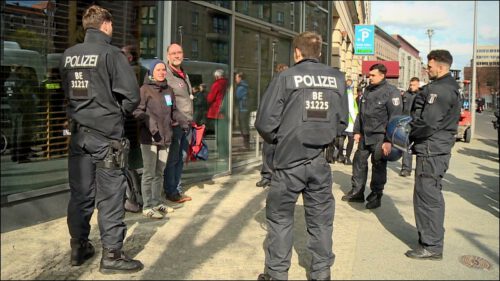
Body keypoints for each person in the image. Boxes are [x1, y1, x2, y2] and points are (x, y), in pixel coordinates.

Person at [255, 31, 346, 281]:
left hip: (288, 162)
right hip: (319, 161)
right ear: (319, 53)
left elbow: (264, 122)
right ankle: (321, 273)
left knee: (280, 218)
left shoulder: (286, 77)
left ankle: (276, 274)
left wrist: (280, 140)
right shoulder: (337, 78)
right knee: (321, 220)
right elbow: (341, 123)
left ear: (297, 52)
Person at [60, 5, 143, 273]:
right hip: (107, 139)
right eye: (112, 24)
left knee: (81, 195)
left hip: (79, 136)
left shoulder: (68, 55)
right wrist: (114, 113)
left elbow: (67, 93)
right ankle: (112, 256)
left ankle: (78, 247)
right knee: (110, 197)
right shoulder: (111, 54)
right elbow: (132, 97)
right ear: (105, 24)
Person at [405, 50, 461, 260]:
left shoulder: (441, 90)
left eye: (429, 66)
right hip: (434, 149)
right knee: (429, 195)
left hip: (432, 149)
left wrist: (410, 133)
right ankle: (430, 238)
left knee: (427, 197)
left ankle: (432, 245)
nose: (427, 69)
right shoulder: (446, 87)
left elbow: (428, 123)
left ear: (441, 66)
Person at [341, 63, 402, 209]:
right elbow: (360, 113)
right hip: (364, 135)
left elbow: (395, 118)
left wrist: (388, 140)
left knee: (378, 166)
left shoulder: (391, 92)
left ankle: (376, 195)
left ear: (382, 75)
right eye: (369, 75)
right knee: (358, 162)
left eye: (373, 75)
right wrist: (357, 131)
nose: (370, 78)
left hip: (380, 136)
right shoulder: (367, 90)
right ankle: (357, 192)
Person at [133, 59, 181, 219]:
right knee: (149, 173)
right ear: (151, 72)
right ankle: (147, 206)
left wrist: (182, 119)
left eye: (163, 70)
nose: (161, 72)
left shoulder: (169, 90)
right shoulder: (144, 90)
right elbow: (137, 112)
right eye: (158, 70)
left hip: (165, 137)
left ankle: (157, 201)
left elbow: (174, 110)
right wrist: (149, 122)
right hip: (150, 138)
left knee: (159, 172)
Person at [163, 43, 193, 204]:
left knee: (181, 157)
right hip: (176, 124)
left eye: (179, 52)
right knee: (173, 158)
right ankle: (171, 191)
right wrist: (173, 118)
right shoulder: (166, 74)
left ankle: (176, 188)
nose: (177, 55)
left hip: (187, 123)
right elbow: (166, 99)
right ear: (168, 56)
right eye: (173, 53)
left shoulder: (183, 73)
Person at [256, 63, 288, 188]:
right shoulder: (277, 83)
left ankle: (268, 176)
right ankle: (271, 175)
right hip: (279, 121)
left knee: (269, 149)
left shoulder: (275, 83)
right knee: (273, 149)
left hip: (274, 121)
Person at [399, 77, 420, 177]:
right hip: (405, 123)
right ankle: (406, 169)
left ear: (418, 85)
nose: (411, 87)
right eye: (410, 85)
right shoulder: (405, 95)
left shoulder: (420, 95)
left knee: (418, 147)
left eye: (414, 85)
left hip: (416, 124)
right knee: (406, 147)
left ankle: (420, 170)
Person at [336, 78, 358, 165]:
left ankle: (340, 156)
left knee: (341, 138)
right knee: (350, 140)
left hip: (341, 119)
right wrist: (355, 120)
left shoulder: (340, 93)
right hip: (350, 121)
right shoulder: (349, 94)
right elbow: (351, 109)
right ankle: (347, 158)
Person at [235, 71, 250, 149]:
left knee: (243, 126)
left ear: (240, 78)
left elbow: (236, 96)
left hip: (243, 108)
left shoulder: (241, 87)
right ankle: (246, 144)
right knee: (245, 126)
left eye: (236, 78)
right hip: (245, 107)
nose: (235, 79)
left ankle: (246, 145)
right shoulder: (245, 85)